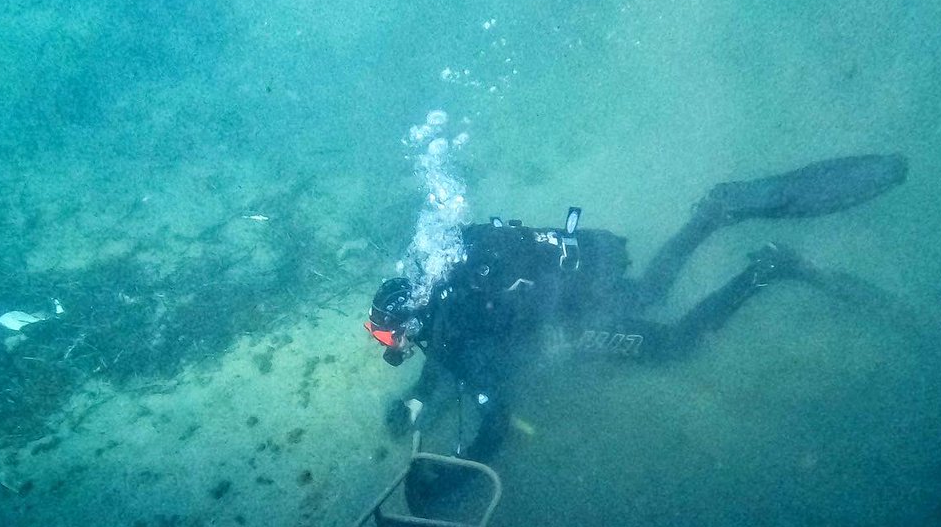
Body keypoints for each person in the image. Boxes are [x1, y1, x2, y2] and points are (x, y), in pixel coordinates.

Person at [366, 153, 908, 465]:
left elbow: (495, 417)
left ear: (409, 321)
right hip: (573, 283)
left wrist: (461, 469)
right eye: (380, 337)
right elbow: (444, 364)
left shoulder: (452, 331)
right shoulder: (445, 305)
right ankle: (709, 217)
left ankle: (763, 269)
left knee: (672, 342)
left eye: (385, 337)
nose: (387, 345)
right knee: (649, 290)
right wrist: (415, 402)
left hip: (576, 319)